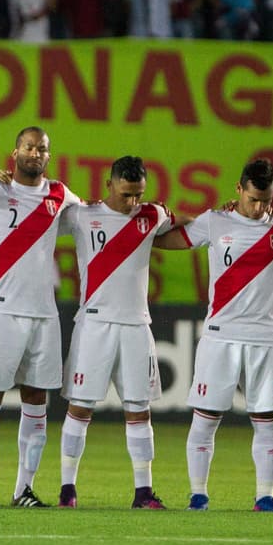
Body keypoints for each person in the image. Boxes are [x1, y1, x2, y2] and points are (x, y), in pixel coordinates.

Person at [173, 159, 273, 512]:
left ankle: (264, 497)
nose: (259, 208)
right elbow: (173, 239)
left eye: (266, 201)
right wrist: (152, 218)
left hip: (264, 338)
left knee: (267, 420)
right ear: (238, 190)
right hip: (219, 335)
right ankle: (198, 495)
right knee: (206, 418)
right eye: (253, 199)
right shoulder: (215, 221)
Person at [0, 127, 81, 507]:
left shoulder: (61, 196)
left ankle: (23, 488)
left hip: (43, 313)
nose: (35, 153)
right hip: (0, 309)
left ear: (49, 155)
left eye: (42, 148)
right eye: (29, 147)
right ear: (15, 152)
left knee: (36, 400)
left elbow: (100, 217)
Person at [57, 156, 180, 510]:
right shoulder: (82, 215)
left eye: (138, 195)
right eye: (126, 194)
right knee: (80, 408)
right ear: (109, 185)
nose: (132, 203)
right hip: (94, 323)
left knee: (139, 409)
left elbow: (183, 225)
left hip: (137, 325)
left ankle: (143, 492)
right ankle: (68, 489)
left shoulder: (152, 215)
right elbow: (41, 224)